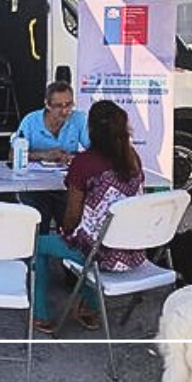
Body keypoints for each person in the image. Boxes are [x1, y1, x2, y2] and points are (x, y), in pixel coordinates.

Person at [32, 99, 146, 334]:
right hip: (134, 250)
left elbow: (72, 218)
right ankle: (88, 308)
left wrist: (64, 231)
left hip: (101, 254)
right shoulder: (132, 158)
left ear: (91, 130)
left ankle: (41, 314)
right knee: (96, 240)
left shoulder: (84, 163)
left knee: (40, 244)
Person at [15, 81, 89, 234]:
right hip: (34, 185)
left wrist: (73, 157)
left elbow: (95, 151)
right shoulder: (31, 120)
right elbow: (12, 155)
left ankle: (65, 251)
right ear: (47, 105)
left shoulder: (79, 119)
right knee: (39, 219)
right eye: (58, 106)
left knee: (71, 221)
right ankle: (39, 253)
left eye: (68, 104)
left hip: (64, 184)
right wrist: (44, 155)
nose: (65, 111)